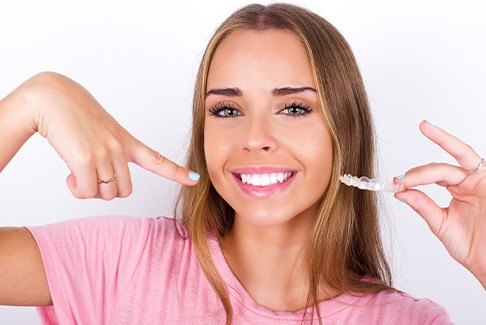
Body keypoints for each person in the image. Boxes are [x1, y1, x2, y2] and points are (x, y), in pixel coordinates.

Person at [0, 3, 484, 324]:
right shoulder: (121, 260)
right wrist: (31, 101)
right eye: (227, 110)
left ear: (344, 129)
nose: (254, 139)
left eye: (294, 108)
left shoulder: (409, 322)